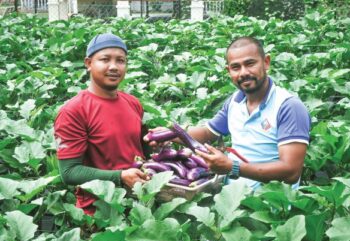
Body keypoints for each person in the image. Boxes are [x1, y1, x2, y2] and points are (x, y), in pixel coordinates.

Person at [146, 36, 311, 189]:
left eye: (250, 63)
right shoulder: (235, 102)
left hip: (272, 207)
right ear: (228, 70)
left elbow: (291, 172)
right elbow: (207, 133)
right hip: (232, 200)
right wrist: (170, 134)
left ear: (266, 62)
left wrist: (233, 167)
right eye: (235, 67)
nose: (243, 72)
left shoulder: (289, 107)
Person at [54, 33, 149, 215]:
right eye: (105, 59)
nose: (114, 66)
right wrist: (120, 177)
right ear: (88, 63)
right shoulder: (73, 111)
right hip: (99, 211)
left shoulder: (133, 103)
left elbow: (143, 149)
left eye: (120, 60)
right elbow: (69, 172)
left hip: (141, 202)